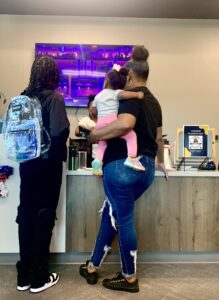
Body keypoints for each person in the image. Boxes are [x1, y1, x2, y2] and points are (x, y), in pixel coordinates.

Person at [79, 46, 168, 293]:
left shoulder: (129, 96)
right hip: (146, 169)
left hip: (122, 167)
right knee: (113, 211)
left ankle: (129, 277)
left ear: (128, 77)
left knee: (124, 217)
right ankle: (93, 266)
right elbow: (159, 139)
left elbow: (125, 125)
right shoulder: (154, 102)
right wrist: (160, 162)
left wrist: (94, 135)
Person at [16, 56, 70, 293]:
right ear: (53, 75)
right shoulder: (54, 98)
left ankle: (24, 275)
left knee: (26, 215)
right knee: (44, 216)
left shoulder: (23, 98)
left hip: (27, 164)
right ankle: (39, 277)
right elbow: (59, 130)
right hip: (48, 166)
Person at [90, 67, 145, 176]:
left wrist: (96, 118)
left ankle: (97, 161)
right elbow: (124, 95)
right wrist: (138, 94)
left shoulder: (98, 95)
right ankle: (132, 158)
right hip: (112, 121)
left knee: (102, 144)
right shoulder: (116, 92)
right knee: (131, 136)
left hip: (100, 123)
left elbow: (93, 110)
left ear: (106, 81)